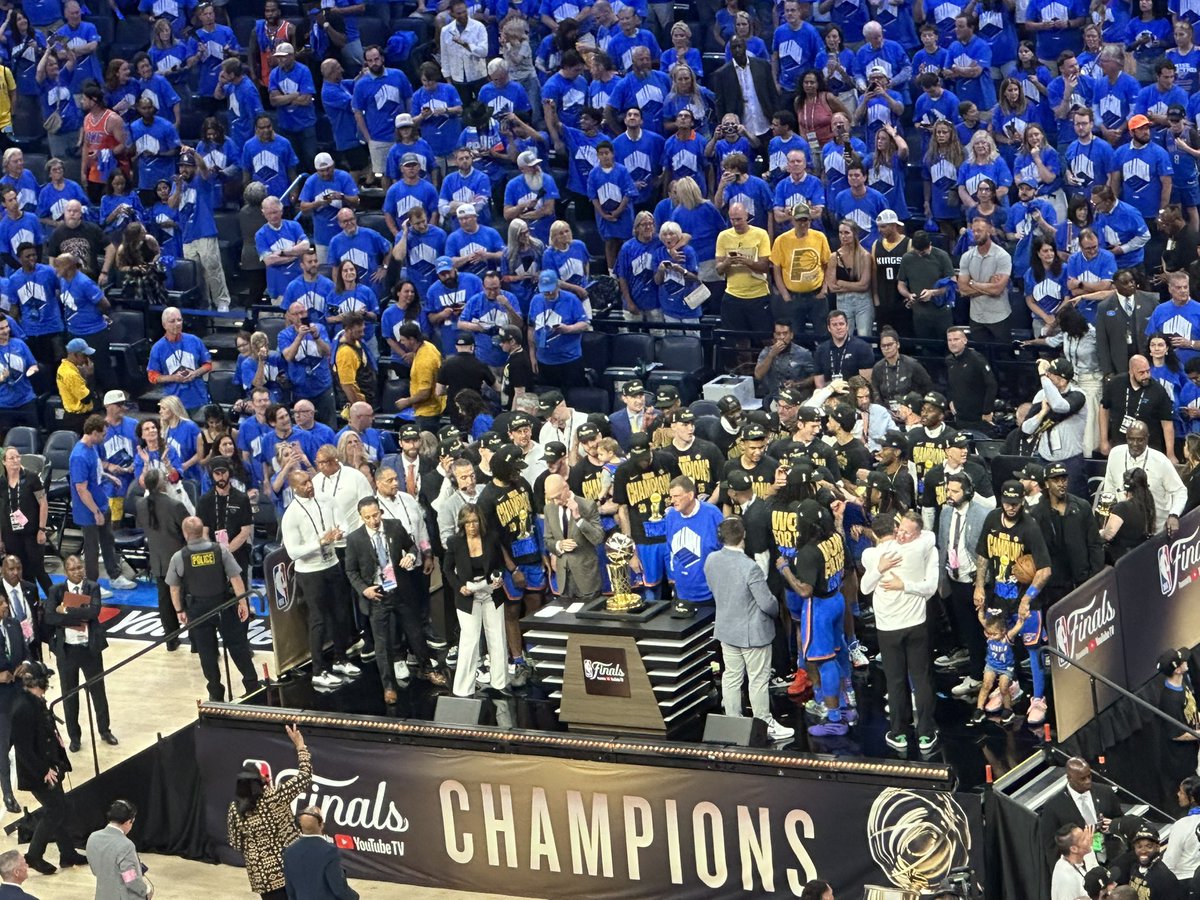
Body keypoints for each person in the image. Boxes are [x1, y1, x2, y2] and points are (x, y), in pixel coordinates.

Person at [345, 496, 446, 704]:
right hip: (377, 595)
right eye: (368, 517)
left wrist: (410, 555)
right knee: (382, 645)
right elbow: (351, 570)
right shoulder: (355, 539)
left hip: (400, 590)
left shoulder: (394, 526)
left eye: (376, 515)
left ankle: (427, 669)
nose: (373, 520)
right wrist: (365, 590)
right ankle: (388, 686)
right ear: (361, 517)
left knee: (416, 633)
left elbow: (412, 546)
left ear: (380, 512)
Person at [704, 515, 793, 741]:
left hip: (727, 629)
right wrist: (776, 608)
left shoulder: (711, 560)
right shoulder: (749, 567)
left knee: (731, 677)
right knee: (758, 680)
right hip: (753, 634)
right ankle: (765, 723)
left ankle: (733, 721)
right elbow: (767, 603)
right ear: (743, 537)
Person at [862, 512, 940, 752]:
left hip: (898, 626)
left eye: (907, 531)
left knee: (903, 680)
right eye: (900, 530)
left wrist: (890, 576)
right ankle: (916, 733)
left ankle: (908, 733)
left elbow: (865, 588)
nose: (903, 535)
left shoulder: (872, 555)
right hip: (905, 625)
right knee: (911, 679)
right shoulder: (922, 547)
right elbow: (929, 535)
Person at [165, 516, 259, 702]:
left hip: (198, 610)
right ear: (202, 531)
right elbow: (236, 578)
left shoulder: (179, 557)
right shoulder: (220, 550)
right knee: (237, 646)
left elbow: (174, 588)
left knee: (207, 653)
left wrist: (179, 611)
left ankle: (216, 693)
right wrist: (243, 603)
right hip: (223, 606)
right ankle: (252, 684)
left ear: (185, 533)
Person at [279, 471, 358, 691]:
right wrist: (320, 542)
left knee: (341, 614)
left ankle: (340, 659)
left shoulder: (326, 499)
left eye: (309, 481)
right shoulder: (291, 514)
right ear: (294, 488)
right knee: (318, 620)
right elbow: (293, 552)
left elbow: (344, 522)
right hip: (310, 572)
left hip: (332, 565)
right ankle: (318, 671)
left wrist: (341, 533)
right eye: (303, 484)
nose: (309, 486)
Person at [11, 661, 85, 875]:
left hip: (51, 765)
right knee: (56, 809)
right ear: (39, 683)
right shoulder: (22, 708)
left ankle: (68, 853)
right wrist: (43, 770)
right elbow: (24, 749)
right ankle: (34, 855)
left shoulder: (35, 701)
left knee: (59, 808)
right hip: (39, 772)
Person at [227, 723, 311, 900]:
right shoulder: (276, 796)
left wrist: (256, 851)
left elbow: (235, 843)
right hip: (291, 867)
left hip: (263, 876)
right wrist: (300, 746)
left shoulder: (235, 809)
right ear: (261, 781)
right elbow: (305, 775)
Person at [44, 553, 117, 752]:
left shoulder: (92, 587)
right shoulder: (56, 590)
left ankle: (104, 730)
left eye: (80, 567)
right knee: (69, 695)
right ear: (66, 572)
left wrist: (65, 611)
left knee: (98, 692)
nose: (78, 572)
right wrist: (78, 616)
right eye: (73, 569)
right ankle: (74, 737)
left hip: (89, 648)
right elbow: (50, 617)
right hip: (67, 650)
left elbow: (93, 613)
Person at [444, 504, 508, 698]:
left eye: (475, 521)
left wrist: (499, 577)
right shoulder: (454, 542)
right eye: (468, 522)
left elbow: (499, 565)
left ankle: (500, 683)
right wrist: (458, 586)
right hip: (467, 595)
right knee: (470, 640)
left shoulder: (491, 538)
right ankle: (463, 689)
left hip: (491, 592)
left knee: (497, 637)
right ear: (462, 524)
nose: (472, 526)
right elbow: (447, 569)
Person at [134, 467, 186, 651]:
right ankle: (197, 642)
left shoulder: (140, 504)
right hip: (179, 558)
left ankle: (171, 640)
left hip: (157, 558)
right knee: (187, 598)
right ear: (161, 483)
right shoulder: (175, 505)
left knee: (164, 600)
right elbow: (187, 530)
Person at [1099, 356, 1175, 459]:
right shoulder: (1115, 384)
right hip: (1120, 446)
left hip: (1149, 449)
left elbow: (1167, 423)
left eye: (1148, 371)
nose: (1146, 375)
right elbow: (1104, 409)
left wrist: (1170, 453)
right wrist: (1104, 440)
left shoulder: (1158, 390)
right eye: (1141, 372)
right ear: (1131, 371)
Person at [543, 472, 604, 601]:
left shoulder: (587, 505)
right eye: (551, 498)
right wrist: (559, 545)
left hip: (586, 579)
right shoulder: (549, 509)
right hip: (564, 581)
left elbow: (598, 538)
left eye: (558, 496)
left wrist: (578, 518)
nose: (556, 502)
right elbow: (547, 540)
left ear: (566, 488)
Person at [281, 805, 359, 900]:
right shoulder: (330, 851)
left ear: (300, 826)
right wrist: (354, 897)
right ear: (321, 824)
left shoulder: (289, 851)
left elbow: (290, 890)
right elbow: (338, 888)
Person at [958, 216, 1015, 342]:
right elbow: (962, 290)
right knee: (981, 356)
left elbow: (997, 290)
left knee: (1003, 355)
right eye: (974, 231)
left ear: (989, 231)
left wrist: (972, 283)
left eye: (980, 230)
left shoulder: (1002, 256)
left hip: (999, 316)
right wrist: (988, 285)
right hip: (976, 317)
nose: (976, 234)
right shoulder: (966, 257)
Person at [86, 799, 152, 900]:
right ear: (127, 822)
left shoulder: (93, 837)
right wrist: (146, 890)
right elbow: (131, 879)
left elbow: (95, 870)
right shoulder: (126, 845)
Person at [1051, 824, 1098, 900]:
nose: (1089, 838)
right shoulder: (1067, 881)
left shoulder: (1085, 854)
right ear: (1074, 849)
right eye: (1083, 838)